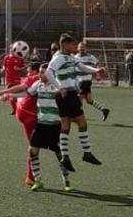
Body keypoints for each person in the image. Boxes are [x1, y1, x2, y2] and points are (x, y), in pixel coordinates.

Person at [0, 63, 72, 192]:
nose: (40, 74)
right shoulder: (37, 84)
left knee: (60, 154)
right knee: (32, 151)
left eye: (43, 72)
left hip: (55, 126)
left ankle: (66, 181)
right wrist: (10, 96)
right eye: (39, 72)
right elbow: (27, 93)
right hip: (41, 124)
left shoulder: (58, 87)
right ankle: (38, 181)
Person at [46, 33, 108, 171]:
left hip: (66, 94)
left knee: (66, 125)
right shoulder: (59, 58)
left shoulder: (69, 57)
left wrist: (96, 70)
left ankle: (65, 157)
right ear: (65, 45)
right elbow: (48, 73)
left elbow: (82, 66)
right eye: (72, 44)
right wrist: (59, 87)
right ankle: (86, 153)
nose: (74, 46)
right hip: (67, 93)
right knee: (82, 122)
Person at [0, 61, 43, 186]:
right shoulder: (36, 78)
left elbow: (26, 92)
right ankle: (31, 177)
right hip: (29, 114)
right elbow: (23, 89)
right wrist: (5, 92)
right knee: (35, 146)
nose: (27, 72)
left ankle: (32, 176)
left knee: (36, 145)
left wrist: (8, 94)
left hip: (27, 112)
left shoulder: (42, 79)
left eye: (29, 70)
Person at [76, 42, 110, 121]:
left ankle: (80, 117)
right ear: (77, 48)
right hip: (79, 81)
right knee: (89, 100)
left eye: (83, 47)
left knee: (78, 100)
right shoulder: (75, 57)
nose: (81, 48)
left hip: (85, 81)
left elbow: (98, 64)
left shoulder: (90, 57)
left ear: (85, 48)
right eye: (80, 47)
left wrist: (98, 75)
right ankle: (104, 110)